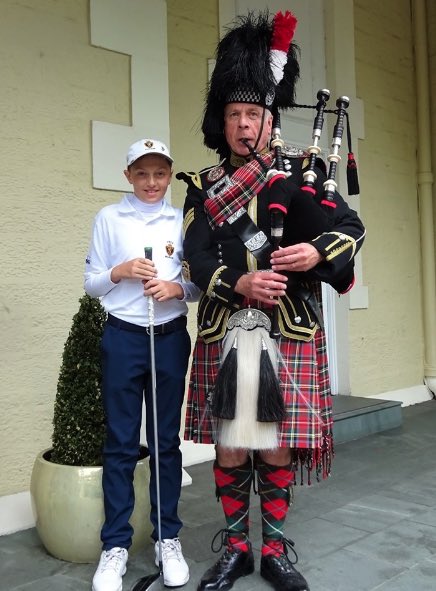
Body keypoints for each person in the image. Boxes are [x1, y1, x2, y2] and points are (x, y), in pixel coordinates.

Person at [177, 11, 366, 591]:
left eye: (254, 114)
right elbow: (195, 258)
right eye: (234, 114)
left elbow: (351, 229)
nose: (244, 124)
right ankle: (236, 549)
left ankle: (276, 552)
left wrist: (314, 253)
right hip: (226, 329)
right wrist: (239, 283)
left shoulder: (302, 174)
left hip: (290, 327)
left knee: (278, 447)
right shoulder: (204, 188)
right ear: (222, 121)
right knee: (233, 446)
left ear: (269, 120)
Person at [84, 138, 199, 591]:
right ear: (128, 175)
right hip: (124, 337)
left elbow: (197, 283)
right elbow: (92, 283)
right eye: (142, 173)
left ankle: (167, 538)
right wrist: (121, 271)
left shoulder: (181, 219)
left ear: (169, 176)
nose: (152, 182)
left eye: (160, 173)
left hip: (169, 338)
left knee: (165, 442)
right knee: (121, 443)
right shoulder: (109, 218)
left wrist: (176, 290)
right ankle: (114, 545)